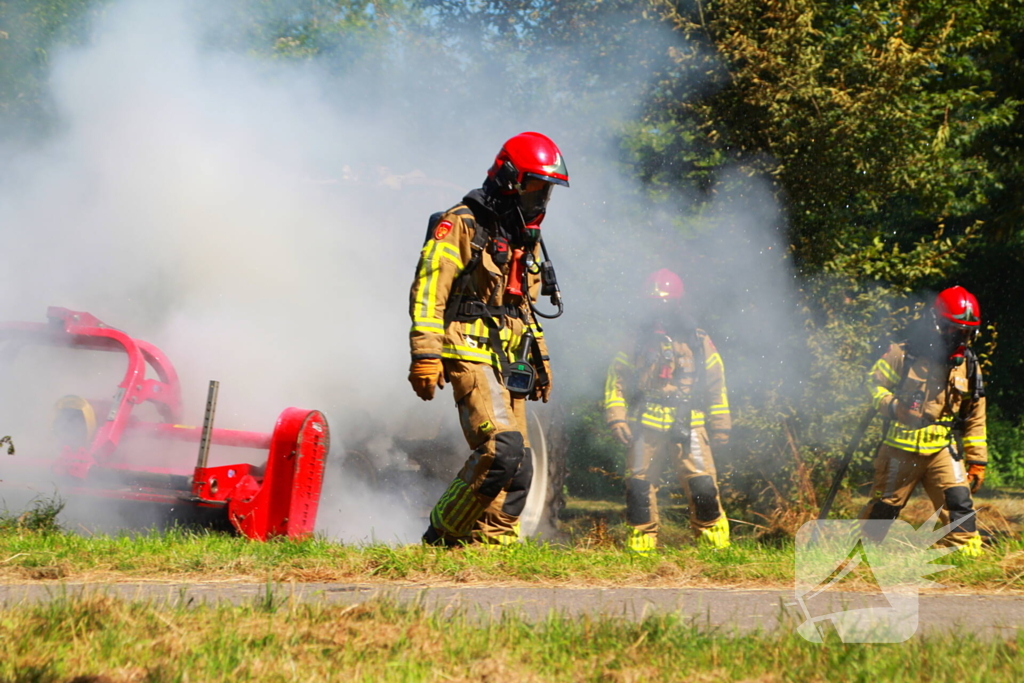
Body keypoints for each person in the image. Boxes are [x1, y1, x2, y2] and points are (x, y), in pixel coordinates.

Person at [408, 132, 568, 546]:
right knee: (501, 450)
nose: (541, 199)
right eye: (535, 187)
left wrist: (540, 359)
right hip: (467, 352)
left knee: (521, 469)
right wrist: (425, 354)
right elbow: (429, 290)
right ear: (510, 179)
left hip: (510, 363)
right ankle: (440, 536)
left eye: (546, 191)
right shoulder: (461, 223)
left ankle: (490, 554)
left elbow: (522, 307)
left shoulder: (521, 236)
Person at [604, 269, 732, 554]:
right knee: (639, 489)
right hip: (644, 427)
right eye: (653, 302)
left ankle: (715, 550)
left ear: (677, 302)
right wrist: (617, 417)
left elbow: (716, 382)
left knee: (703, 486)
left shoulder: (698, 339)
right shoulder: (636, 338)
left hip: (690, 424)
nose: (658, 308)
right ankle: (640, 550)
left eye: (664, 302)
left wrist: (721, 425)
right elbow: (617, 378)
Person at [860, 286, 987, 556]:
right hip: (899, 450)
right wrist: (895, 407)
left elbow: (975, 415)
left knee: (961, 509)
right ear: (936, 323)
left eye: (967, 332)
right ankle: (858, 557)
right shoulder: (902, 355)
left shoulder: (969, 365)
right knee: (883, 512)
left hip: (941, 450)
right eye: (955, 329)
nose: (961, 338)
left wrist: (977, 460)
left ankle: (958, 563)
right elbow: (873, 387)